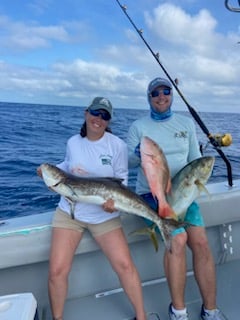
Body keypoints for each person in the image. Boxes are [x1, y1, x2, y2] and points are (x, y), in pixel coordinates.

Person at [127, 78, 228, 320]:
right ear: (148, 98)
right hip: (151, 196)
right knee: (179, 239)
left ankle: (210, 310)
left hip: (183, 192)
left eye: (166, 91)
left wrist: (196, 182)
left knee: (201, 243)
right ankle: (178, 311)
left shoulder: (186, 124)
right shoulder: (138, 128)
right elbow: (129, 163)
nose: (161, 96)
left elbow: (195, 159)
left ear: (171, 95)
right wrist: (139, 154)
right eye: (155, 93)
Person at [37, 97, 146, 320]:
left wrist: (112, 204)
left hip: (104, 215)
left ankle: (142, 317)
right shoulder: (73, 142)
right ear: (86, 113)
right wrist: (48, 171)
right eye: (96, 112)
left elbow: (120, 183)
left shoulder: (117, 146)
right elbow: (67, 168)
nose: (98, 118)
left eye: (104, 115)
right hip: (70, 212)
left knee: (125, 266)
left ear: (109, 121)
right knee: (57, 272)